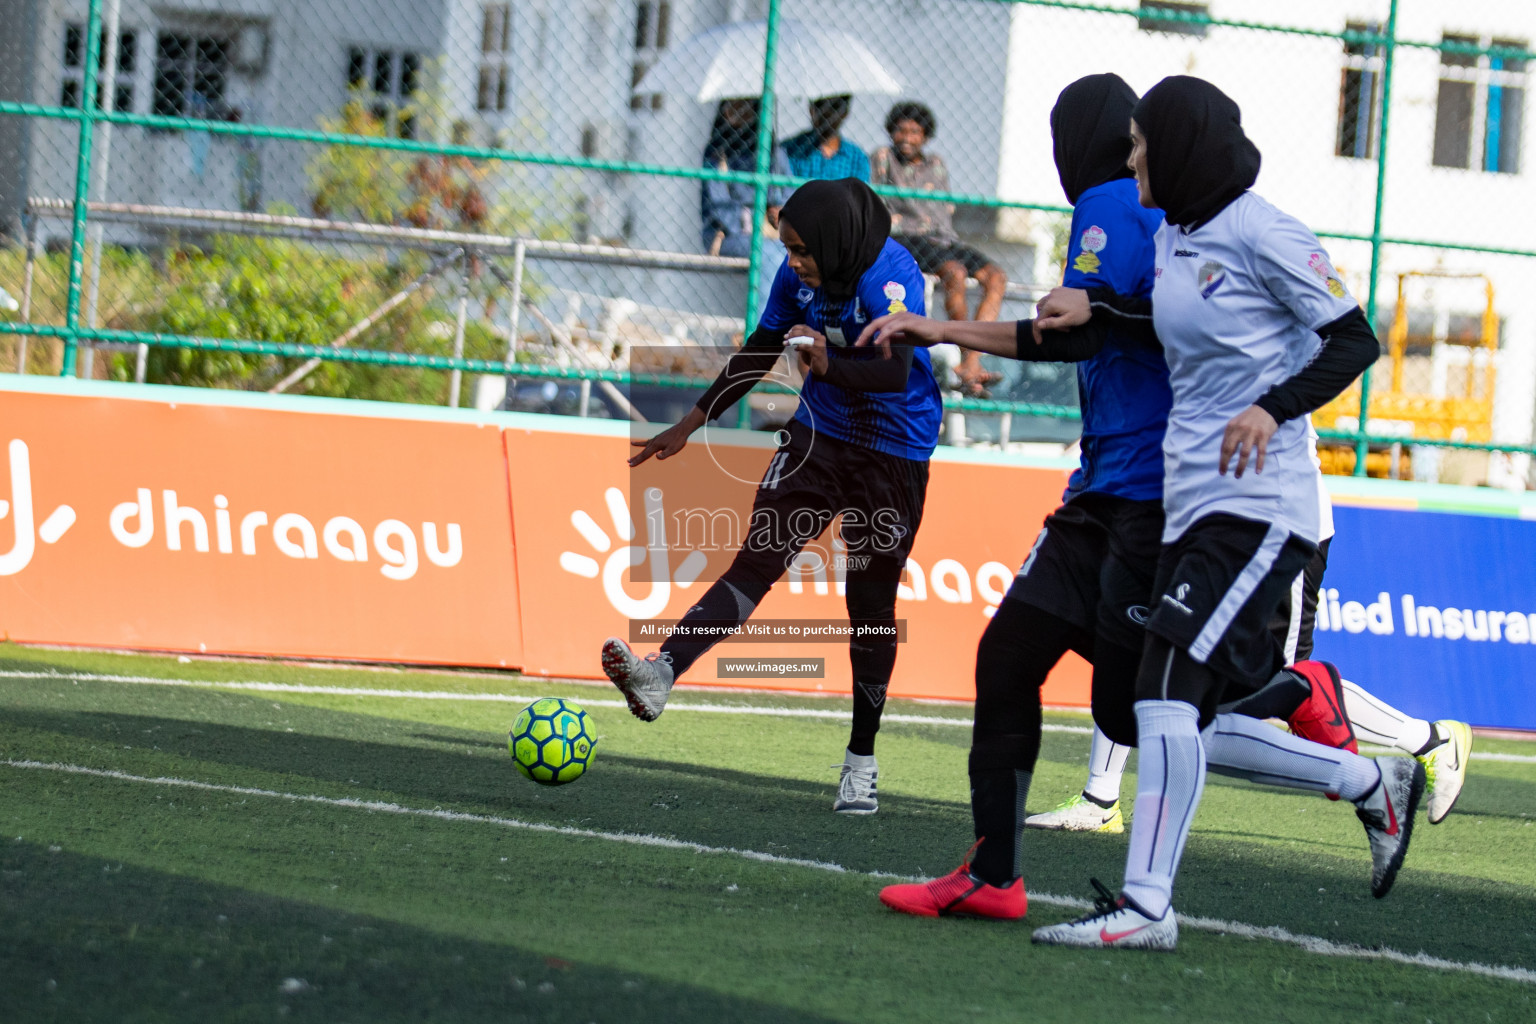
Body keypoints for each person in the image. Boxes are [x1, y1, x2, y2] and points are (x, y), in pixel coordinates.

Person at [859, 75, 1423, 934]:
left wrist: (1268, 406)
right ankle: (1000, 874)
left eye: (1140, 143)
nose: (1129, 158)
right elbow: (1123, 323)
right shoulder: (1179, 233)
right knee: (1042, 668)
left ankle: (1320, 779)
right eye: (1123, 142)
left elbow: (1348, 335)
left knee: (1151, 707)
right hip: (1120, 496)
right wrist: (947, 329)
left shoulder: (1138, 208)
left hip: (1172, 504)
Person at [601, 178, 942, 815]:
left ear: (837, 242)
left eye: (802, 251)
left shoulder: (890, 276)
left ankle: (860, 763)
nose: (793, 264)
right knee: (755, 563)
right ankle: (662, 673)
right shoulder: (799, 278)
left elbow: (895, 375)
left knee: (868, 603)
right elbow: (761, 349)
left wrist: (828, 364)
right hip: (819, 435)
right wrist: (690, 422)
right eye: (786, 249)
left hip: (894, 451)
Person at [871, 101, 1007, 397]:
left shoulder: (936, 164)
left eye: (915, 132)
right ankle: (967, 362)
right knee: (954, 274)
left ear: (926, 136)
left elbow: (944, 212)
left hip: (945, 239)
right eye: (901, 131)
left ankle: (971, 362)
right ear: (891, 132)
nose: (907, 137)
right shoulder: (883, 159)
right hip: (907, 237)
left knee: (996, 276)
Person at [700, 99, 791, 260]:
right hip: (727, 233)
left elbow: (790, 193)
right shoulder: (716, 153)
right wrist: (755, 219)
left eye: (745, 104)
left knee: (790, 253)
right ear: (724, 110)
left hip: (770, 232)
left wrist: (782, 212)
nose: (738, 110)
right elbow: (720, 209)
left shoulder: (773, 151)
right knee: (769, 253)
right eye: (732, 104)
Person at [781, 96, 870, 182]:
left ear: (845, 112)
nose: (827, 113)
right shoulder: (790, 150)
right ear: (811, 109)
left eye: (834, 106)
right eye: (820, 105)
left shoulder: (857, 159)